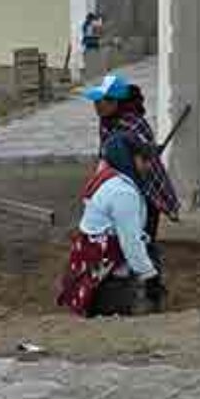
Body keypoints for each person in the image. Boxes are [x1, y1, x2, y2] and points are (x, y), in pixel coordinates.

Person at [83, 74, 182, 303]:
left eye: (101, 101)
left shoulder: (134, 126)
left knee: (141, 239)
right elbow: (105, 157)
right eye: (96, 101)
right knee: (128, 240)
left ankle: (151, 288)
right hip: (122, 188)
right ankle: (137, 283)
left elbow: (144, 164)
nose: (96, 106)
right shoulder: (107, 123)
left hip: (145, 191)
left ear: (116, 102)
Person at [57, 133, 164, 317]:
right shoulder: (123, 193)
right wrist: (150, 277)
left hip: (91, 262)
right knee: (148, 261)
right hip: (103, 271)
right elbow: (131, 243)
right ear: (127, 159)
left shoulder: (108, 178)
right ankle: (117, 304)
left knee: (148, 252)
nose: (148, 165)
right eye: (143, 159)